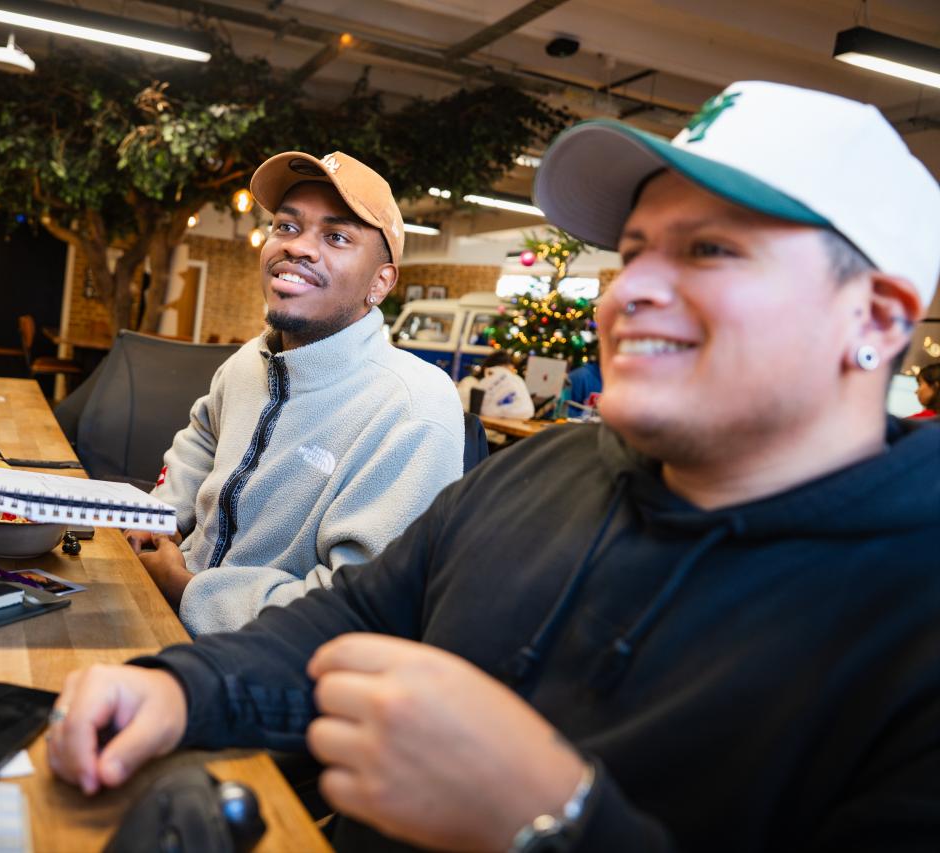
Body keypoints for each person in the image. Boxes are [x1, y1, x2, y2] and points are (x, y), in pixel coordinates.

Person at [50, 81, 940, 851]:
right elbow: (350, 619)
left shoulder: (912, 625)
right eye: (631, 252)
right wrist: (176, 687)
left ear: (875, 319)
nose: (626, 292)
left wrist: (553, 822)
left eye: (709, 249)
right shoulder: (542, 472)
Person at [126, 150, 465, 636]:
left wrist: (188, 590)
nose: (299, 248)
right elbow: (203, 434)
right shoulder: (249, 362)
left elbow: (360, 608)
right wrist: (158, 516)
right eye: (287, 227)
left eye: (337, 236)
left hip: (261, 670)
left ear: (381, 281)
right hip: (158, 607)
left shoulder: (412, 409)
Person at [456, 350, 535, 420]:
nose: (508, 377)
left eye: (511, 373)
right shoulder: (470, 383)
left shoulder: (504, 389)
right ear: (488, 370)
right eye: (504, 372)